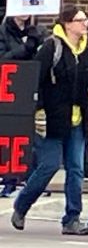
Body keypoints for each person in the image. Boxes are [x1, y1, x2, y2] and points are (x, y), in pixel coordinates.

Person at [11, 5, 88, 235]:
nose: (85, 24)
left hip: (78, 119)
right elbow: (36, 81)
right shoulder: (52, 47)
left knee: (76, 169)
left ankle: (72, 219)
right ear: (68, 24)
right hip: (53, 119)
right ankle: (22, 205)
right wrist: (39, 110)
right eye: (80, 20)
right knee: (49, 165)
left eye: (85, 20)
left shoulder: (86, 51)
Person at [0, 14, 43, 198]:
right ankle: (9, 180)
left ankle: (31, 179)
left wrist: (36, 43)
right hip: (10, 89)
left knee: (33, 135)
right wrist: (25, 48)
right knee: (11, 134)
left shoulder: (38, 31)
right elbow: (4, 58)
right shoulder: (3, 31)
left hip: (32, 89)